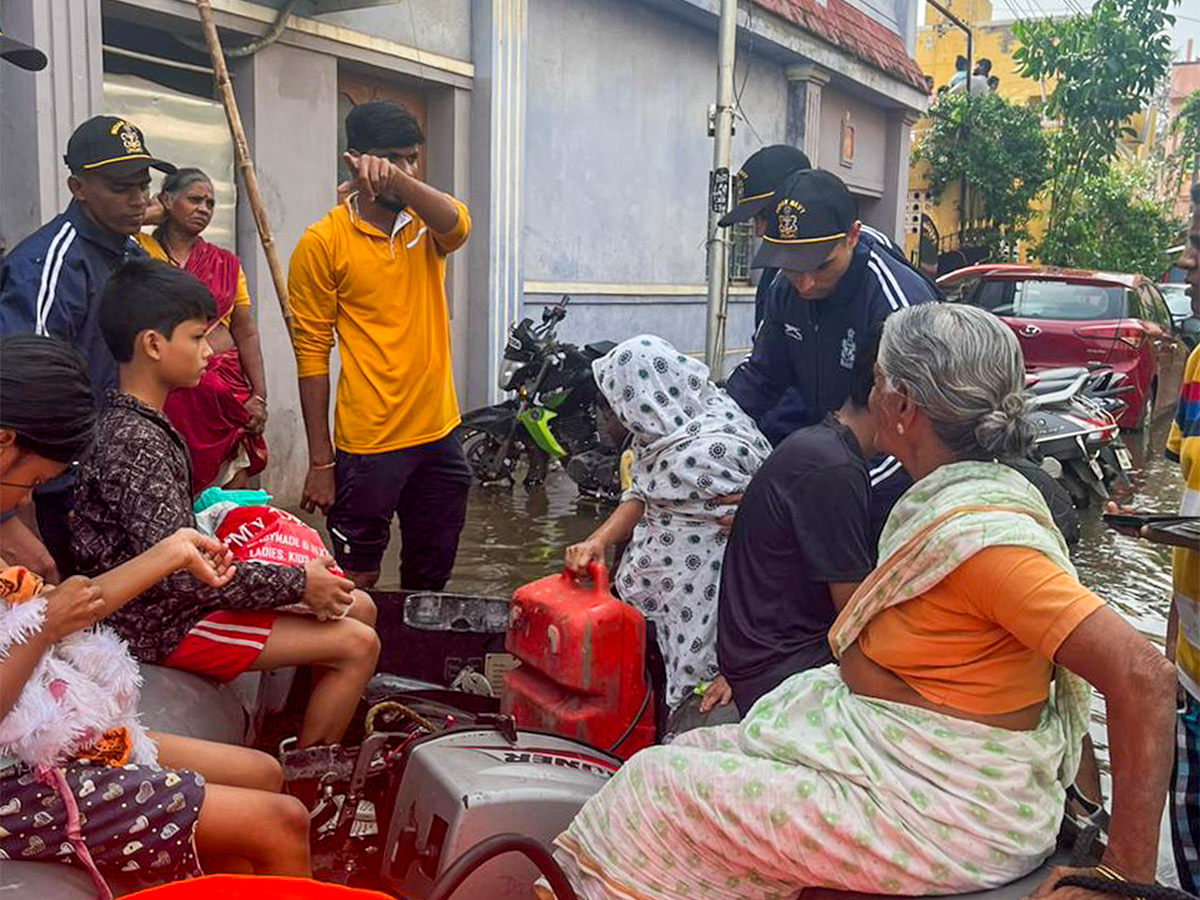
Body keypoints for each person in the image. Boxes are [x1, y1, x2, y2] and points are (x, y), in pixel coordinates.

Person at [539, 304, 1175, 900]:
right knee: (691, 755)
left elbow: (1144, 678)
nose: (866, 395)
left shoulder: (985, 543)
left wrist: (1122, 877)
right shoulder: (944, 501)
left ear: (899, 406)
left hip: (953, 809)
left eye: (875, 381)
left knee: (651, 790)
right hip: (912, 763)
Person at [0, 334, 311, 889]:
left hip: (55, 727)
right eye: (35, 482)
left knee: (264, 774)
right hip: (14, 779)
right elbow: (43, 623)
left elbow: (57, 609)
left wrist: (172, 551)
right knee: (282, 823)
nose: (27, 502)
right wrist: (47, 624)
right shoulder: (131, 439)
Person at [70, 258, 380, 749]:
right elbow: (181, 577)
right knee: (358, 642)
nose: (211, 353)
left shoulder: (140, 424)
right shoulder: (135, 442)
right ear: (153, 344)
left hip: (173, 606)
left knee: (356, 606)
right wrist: (298, 582)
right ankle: (308, 785)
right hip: (158, 626)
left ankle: (289, 732)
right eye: (197, 338)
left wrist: (297, 580)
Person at [289, 100, 472, 594]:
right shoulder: (322, 242)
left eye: (412, 158)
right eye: (392, 158)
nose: (406, 169)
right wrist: (321, 463)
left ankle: (413, 665)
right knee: (356, 577)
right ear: (356, 160)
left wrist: (399, 181)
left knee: (429, 579)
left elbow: (459, 224)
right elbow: (311, 354)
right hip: (368, 443)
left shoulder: (426, 225)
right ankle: (352, 666)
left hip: (439, 433)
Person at [564, 336, 771, 727]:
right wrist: (598, 541)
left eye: (619, 406)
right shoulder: (663, 430)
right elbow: (641, 494)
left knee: (694, 690)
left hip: (702, 600)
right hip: (656, 595)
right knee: (646, 680)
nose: (618, 419)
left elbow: (766, 536)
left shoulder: (716, 447)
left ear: (644, 398)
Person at [0, 116, 171, 578]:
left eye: (143, 185)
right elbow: (24, 400)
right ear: (79, 187)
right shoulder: (49, 265)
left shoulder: (133, 255)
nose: (139, 200)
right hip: (58, 488)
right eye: (121, 188)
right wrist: (14, 520)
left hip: (115, 474)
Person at [725, 168, 937, 537]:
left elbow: (922, 437)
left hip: (894, 490)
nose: (805, 283)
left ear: (852, 236)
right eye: (791, 267)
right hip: (829, 465)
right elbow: (761, 379)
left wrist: (811, 498)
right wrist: (708, 430)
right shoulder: (783, 289)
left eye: (821, 266)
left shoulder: (897, 305)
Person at [717, 329, 880, 714]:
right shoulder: (833, 468)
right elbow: (856, 617)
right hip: (779, 669)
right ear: (892, 395)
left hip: (763, 654)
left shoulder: (825, 446)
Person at [137, 168, 269, 494]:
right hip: (168, 394)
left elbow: (245, 332)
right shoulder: (138, 251)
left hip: (225, 395)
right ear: (167, 201)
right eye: (195, 199)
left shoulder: (226, 263)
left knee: (229, 496)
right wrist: (154, 211)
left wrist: (259, 396)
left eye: (210, 203)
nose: (204, 209)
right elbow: (119, 223)